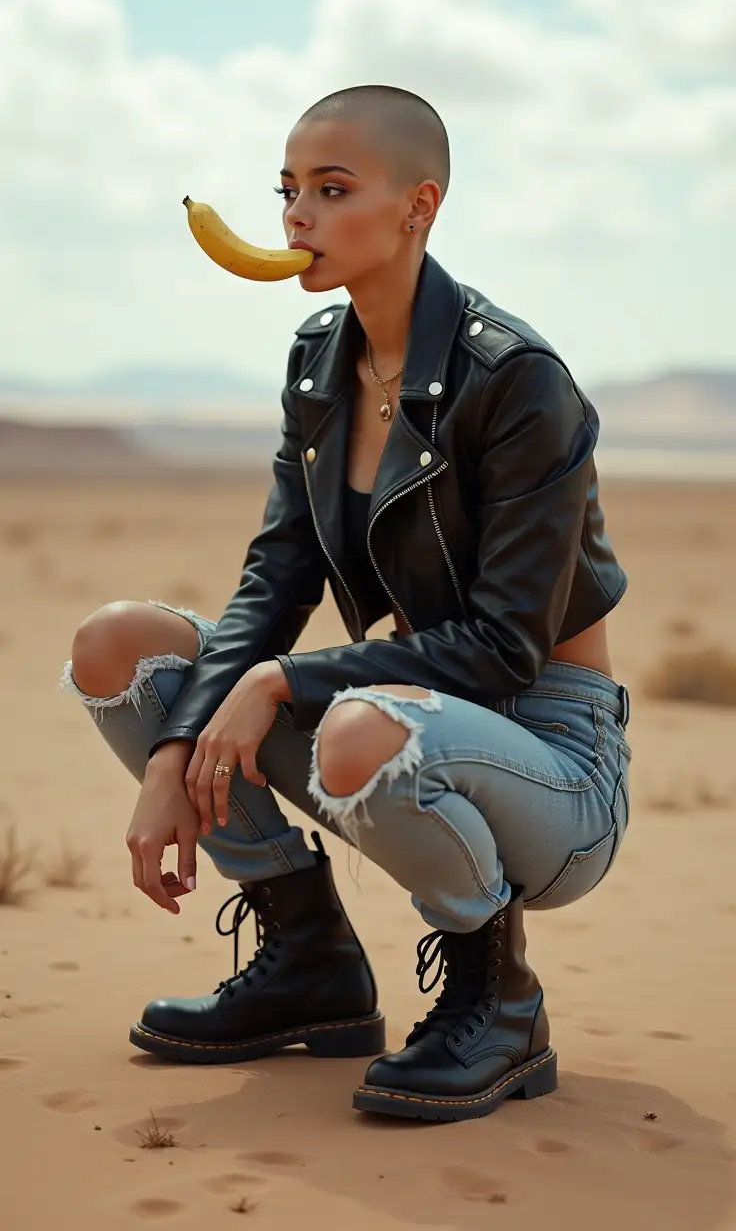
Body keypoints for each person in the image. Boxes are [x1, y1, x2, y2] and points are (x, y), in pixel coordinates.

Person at [61, 84, 631, 1124]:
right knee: (120, 651)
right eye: (288, 191)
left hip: (554, 758)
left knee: (359, 726)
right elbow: (273, 580)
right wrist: (168, 751)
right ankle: (309, 960)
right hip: (403, 719)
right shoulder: (320, 363)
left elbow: (506, 648)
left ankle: (498, 998)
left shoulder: (519, 381)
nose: (294, 218)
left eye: (331, 190)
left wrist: (283, 682)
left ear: (420, 205)